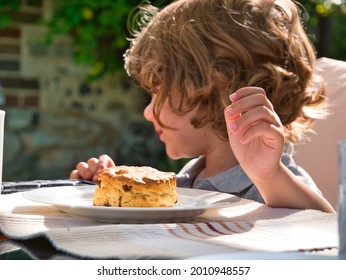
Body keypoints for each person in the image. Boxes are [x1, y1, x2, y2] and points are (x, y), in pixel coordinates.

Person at [70, 0, 334, 213]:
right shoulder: (190, 177)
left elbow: (326, 238)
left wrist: (269, 175)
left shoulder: (274, 183)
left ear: (220, 87)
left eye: (158, 92)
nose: (147, 112)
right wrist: (115, 197)